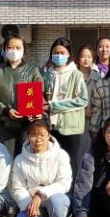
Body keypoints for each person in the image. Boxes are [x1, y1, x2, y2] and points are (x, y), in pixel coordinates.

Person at [10, 119, 73, 217]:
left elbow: (64, 183)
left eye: (42, 135)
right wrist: (29, 204)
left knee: (59, 201)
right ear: (28, 137)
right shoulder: (20, 159)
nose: (38, 139)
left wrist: (40, 194)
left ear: (49, 135)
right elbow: (17, 188)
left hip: (54, 198)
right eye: (33, 135)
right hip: (31, 200)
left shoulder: (60, 155)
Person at [42, 37, 90, 177]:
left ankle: (71, 190)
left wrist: (54, 105)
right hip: (51, 127)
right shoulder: (47, 74)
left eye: (62, 53)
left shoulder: (76, 74)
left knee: (70, 164)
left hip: (70, 128)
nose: (59, 56)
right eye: (55, 53)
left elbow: (83, 100)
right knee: (52, 165)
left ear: (69, 55)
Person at [0, 35, 44, 156]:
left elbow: (39, 94)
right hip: (3, 124)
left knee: (25, 159)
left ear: (24, 49)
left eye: (18, 47)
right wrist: (5, 110)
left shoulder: (33, 70)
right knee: (4, 159)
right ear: (4, 49)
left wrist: (34, 112)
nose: (14, 51)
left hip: (26, 125)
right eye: (10, 47)